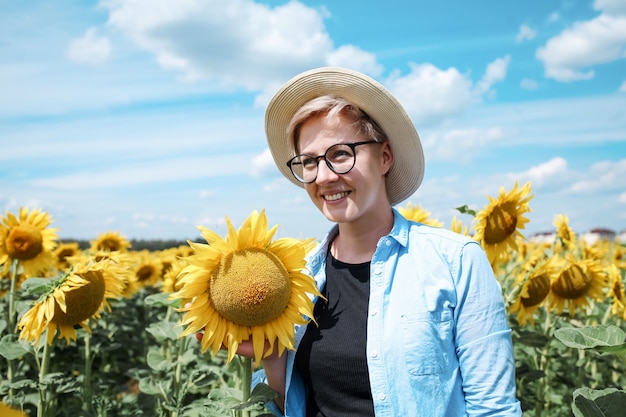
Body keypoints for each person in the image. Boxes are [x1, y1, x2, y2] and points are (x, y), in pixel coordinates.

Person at [246, 67, 522, 416]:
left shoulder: (455, 261)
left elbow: (493, 408)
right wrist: (273, 360)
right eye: (309, 162)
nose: (325, 176)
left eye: (341, 154)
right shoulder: (297, 278)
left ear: (385, 157)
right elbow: (291, 407)